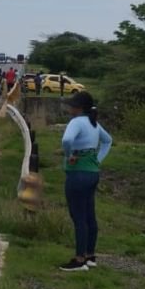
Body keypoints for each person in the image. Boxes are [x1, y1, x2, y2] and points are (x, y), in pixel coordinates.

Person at [59, 91, 113, 271]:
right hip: (92, 172)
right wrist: (98, 158)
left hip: (77, 173)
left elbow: (66, 140)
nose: (69, 108)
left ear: (79, 108)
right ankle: (90, 255)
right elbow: (108, 141)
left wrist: (69, 155)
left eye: (71, 105)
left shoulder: (76, 122)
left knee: (78, 217)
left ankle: (79, 259)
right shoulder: (93, 123)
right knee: (90, 215)